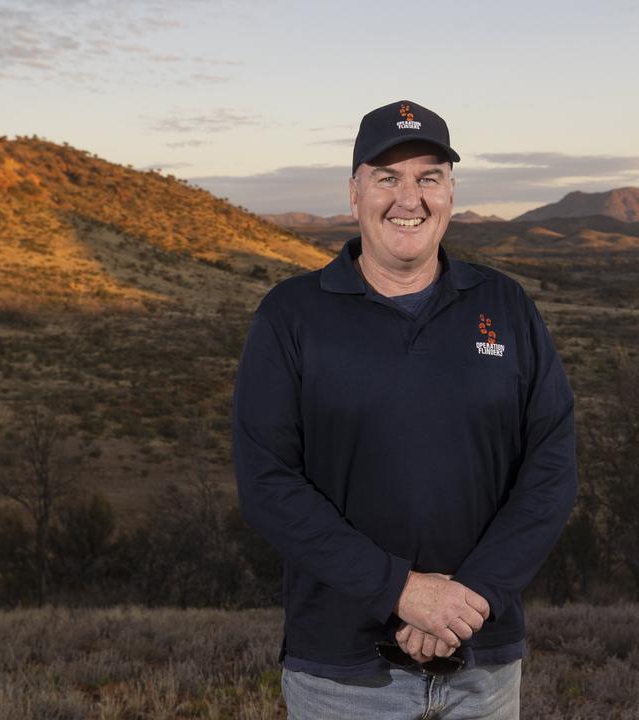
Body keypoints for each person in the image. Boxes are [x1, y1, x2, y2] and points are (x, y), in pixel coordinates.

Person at [232, 99, 577, 719]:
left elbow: (550, 469)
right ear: (355, 190)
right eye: (388, 177)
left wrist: (470, 596)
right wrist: (402, 592)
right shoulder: (290, 316)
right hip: (342, 679)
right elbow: (267, 485)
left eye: (429, 177)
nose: (408, 198)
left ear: (451, 191)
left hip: (484, 668)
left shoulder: (507, 305)